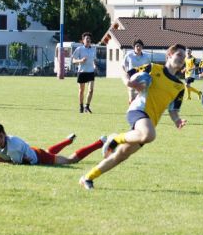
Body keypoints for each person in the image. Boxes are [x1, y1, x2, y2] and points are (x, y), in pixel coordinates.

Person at [78, 44, 187, 190]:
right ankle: (115, 138)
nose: (182, 59)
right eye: (179, 55)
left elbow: (173, 110)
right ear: (169, 55)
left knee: (121, 155)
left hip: (148, 122)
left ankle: (87, 177)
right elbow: (124, 72)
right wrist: (129, 83)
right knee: (149, 135)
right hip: (138, 111)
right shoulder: (152, 68)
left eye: (184, 57)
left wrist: (177, 120)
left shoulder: (179, 86)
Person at [0, 123, 105, 165]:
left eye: (1, 137)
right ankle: (68, 141)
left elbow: (16, 164)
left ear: (5, 134)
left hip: (39, 157)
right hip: (33, 151)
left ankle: (99, 143)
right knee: (48, 151)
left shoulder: (13, 146)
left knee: (71, 161)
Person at [71, 32, 97, 113]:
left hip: (90, 72)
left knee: (91, 90)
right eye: (86, 38)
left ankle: (87, 106)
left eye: (89, 38)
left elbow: (93, 60)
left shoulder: (93, 49)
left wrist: (94, 65)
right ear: (83, 40)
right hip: (82, 72)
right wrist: (80, 60)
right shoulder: (79, 49)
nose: (88, 40)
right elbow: (73, 60)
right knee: (81, 90)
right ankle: (81, 106)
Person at [122, 39, 152, 103]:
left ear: (142, 47)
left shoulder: (146, 57)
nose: (138, 47)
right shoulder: (129, 55)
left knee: (141, 100)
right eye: (137, 46)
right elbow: (123, 66)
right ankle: (131, 111)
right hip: (132, 80)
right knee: (132, 99)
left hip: (142, 80)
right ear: (134, 47)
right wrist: (126, 75)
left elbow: (149, 68)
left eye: (140, 46)